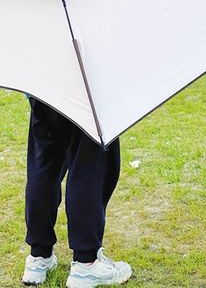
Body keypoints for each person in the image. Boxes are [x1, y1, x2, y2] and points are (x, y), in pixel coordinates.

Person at [21, 98, 132, 287]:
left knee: (44, 163)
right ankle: (86, 263)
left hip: (44, 90)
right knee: (90, 164)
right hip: (89, 95)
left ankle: (38, 258)